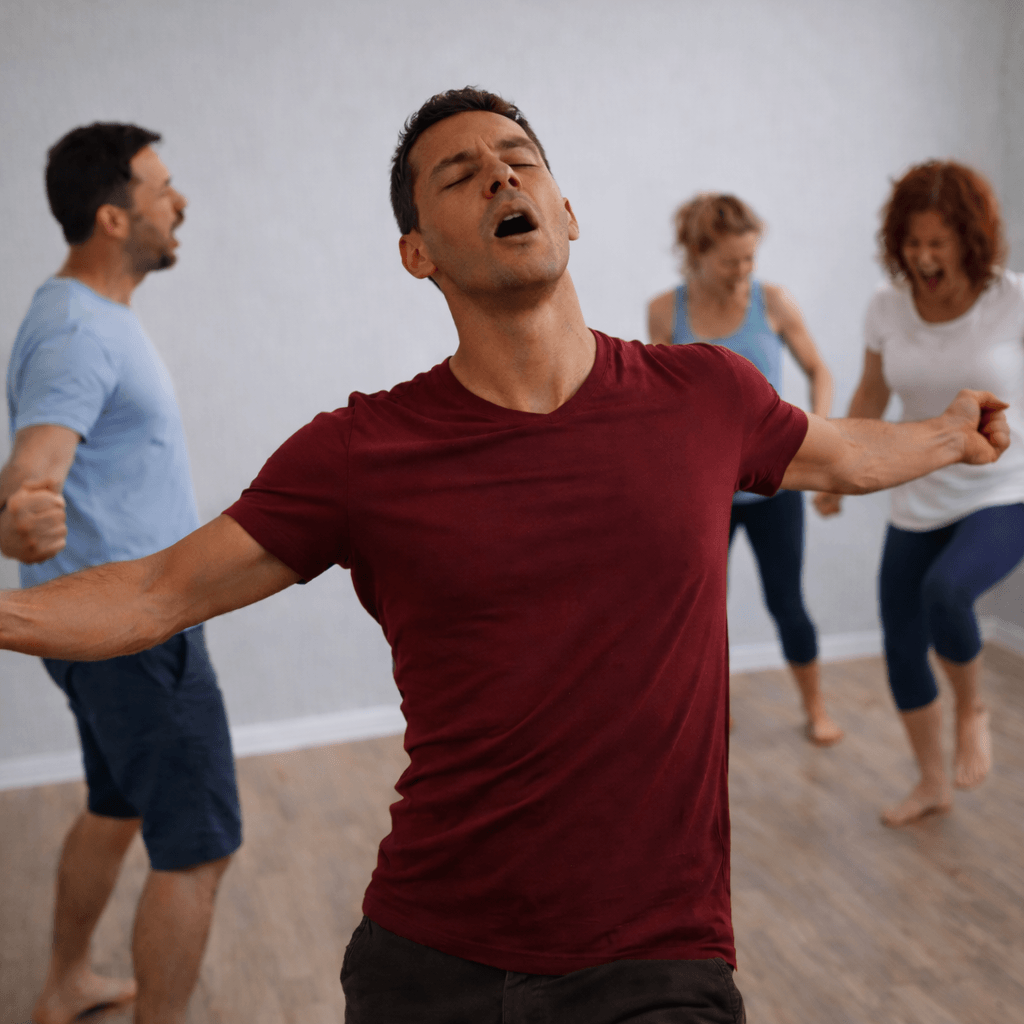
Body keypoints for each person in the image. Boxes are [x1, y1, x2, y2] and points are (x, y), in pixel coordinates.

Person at [0, 92, 1010, 1023]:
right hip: (428, 957)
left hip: (657, 960)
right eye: (459, 173)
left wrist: (948, 433)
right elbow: (155, 592)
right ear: (417, 252)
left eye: (519, 158)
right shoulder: (358, 453)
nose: (498, 174)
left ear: (566, 211)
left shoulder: (706, 395)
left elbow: (842, 451)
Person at [1, 124, 241, 1024]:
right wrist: (20, 515)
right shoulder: (78, 331)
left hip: (100, 631)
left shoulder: (80, 313)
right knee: (200, 848)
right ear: (112, 217)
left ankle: (65, 982)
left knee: (113, 806)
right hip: (133, 632)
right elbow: (33, 474)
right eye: (161, 187)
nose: (180, 202)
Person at [815, 160, 1024, 828]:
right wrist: (833, 472)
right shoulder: (886, 306)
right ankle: (932, 783)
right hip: (917, 493)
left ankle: (972, 707)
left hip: (1002, 489)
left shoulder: (1013, 301)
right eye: (912, 242)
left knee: (947, 592)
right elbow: (871, 394)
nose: (923, 257)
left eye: (938, 242)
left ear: (970, 239)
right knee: (902, 642)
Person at [649, 194, 842, 746]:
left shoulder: (773, 302)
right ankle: (715, 709)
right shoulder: (665, 312)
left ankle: (816, 709)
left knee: (787, 602)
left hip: (777, 486)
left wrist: (816, 433)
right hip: (705, 491)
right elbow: (659, 397)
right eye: (730, 261)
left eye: (750, 258)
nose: (743, 271)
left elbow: (819, 370)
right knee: (704, 613)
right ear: (696, 254)